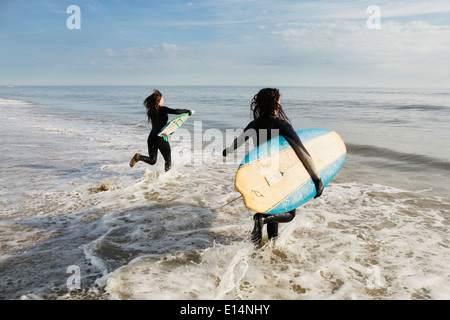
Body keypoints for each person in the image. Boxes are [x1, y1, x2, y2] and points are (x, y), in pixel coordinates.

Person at [222, 88, 324, 245]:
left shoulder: (254, 124)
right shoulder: (282, 126)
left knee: (270, 207)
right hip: (279, 174)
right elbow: (302, 153)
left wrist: (227, 150)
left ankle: (267, 247)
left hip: (260, 174)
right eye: (279, 100)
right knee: (289, 213)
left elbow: (238, 142)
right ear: (275, 103)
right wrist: (316, 179)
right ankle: (261, 220)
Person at [130, 89, 192, 172]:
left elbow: (160, 125)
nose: (163, 100)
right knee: (168, 159)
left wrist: (170, 130)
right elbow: (176, 111)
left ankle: (139, 157)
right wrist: (187, 111)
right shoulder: (162, 109)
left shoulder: (151, 111)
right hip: (160, 138)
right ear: (159, 100)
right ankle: (166, 178)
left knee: (152, 160)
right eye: (162, 98)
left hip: (151, 138)